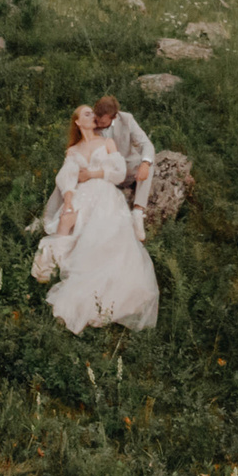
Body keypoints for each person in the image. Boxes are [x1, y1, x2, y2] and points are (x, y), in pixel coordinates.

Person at [31, 104, 160, 334]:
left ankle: (101, 289)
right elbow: (67, 181)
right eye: (88, 113)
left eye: (94, 112)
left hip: (105, 192)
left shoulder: (107, 143)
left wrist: (92, 173)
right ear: (78, 122)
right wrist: (68, 203)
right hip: (82, 196)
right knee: (68, 223)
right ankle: (53, 270)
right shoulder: (72, 151)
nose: (94, 116)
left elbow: (119, 173)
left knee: (103, 236)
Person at [39, 94, 159, 242]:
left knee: (148, 164)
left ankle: (138, 211)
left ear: (113, 117)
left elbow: (145, 143)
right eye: (96, 117)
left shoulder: (126, 119)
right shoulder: (92, 125)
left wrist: (145, 163)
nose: (98, 122)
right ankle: (50, 215)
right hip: (100, 176)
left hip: (125, 168)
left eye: (102, 120)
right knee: (68, 176)